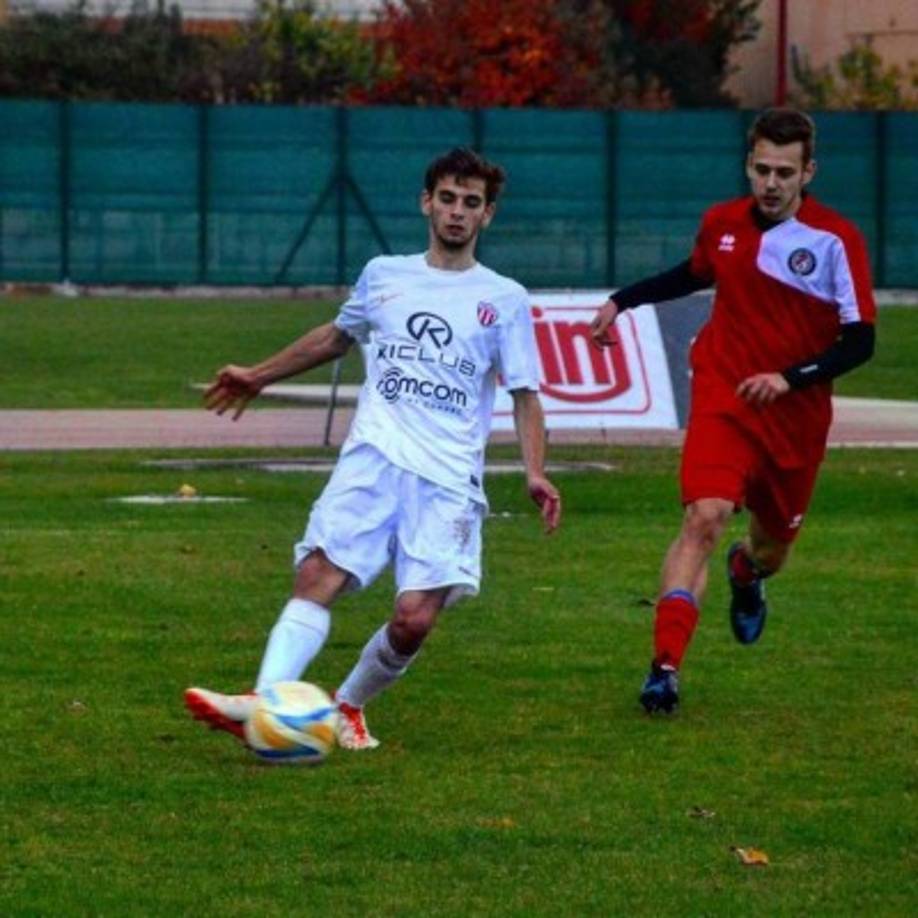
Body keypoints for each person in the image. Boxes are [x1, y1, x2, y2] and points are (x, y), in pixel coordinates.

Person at [185, 147, 561, 749]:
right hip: (374, 458)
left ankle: (349, 704)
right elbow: (335, 338)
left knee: (413, 619)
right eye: (447, 199)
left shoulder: (505, 299)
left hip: (447, 481)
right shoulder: (384, 274)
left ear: (487, 215)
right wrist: (259, 374)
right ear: (426, 202)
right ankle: (261, 702)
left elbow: (524, 394)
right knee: (317, 574)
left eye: (471, 203)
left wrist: (535, 472)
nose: (457, 213)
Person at [590, 107, 875, 714]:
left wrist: (790, 378)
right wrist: (623, 300)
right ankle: (664, 668)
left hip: (795, 419)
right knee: (704, 517)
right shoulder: (721, 223)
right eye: (762, 169)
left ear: (808, 173)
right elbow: (691, 274)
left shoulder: (836, 240)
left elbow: (861, 341)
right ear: (748, 165)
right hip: (723, 393)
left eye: (785, 172)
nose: (771, 184)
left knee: (770, 551)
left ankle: (746, 575)